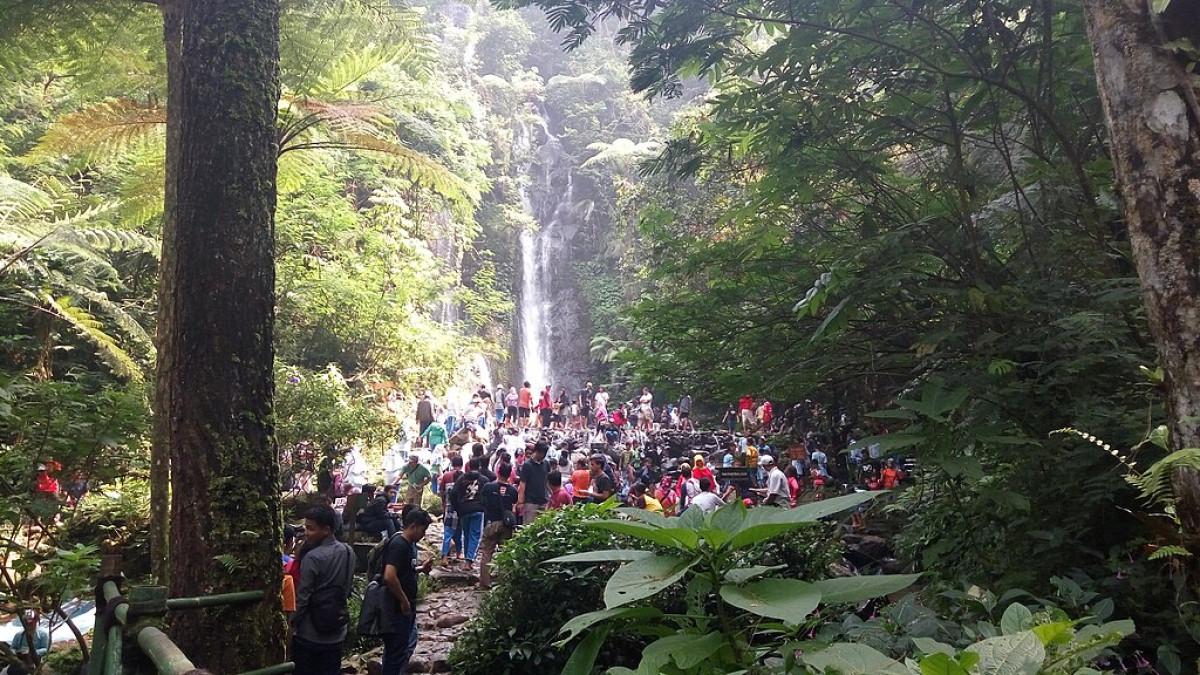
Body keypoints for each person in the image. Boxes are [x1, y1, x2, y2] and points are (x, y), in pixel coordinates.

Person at [291, 506, 354, 675]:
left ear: (326, 530)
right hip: (337, 630)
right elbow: (347, 588)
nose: (306, 533)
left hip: (310, 634)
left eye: (311, 529)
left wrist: (292, 623)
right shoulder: (348, 551)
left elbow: (303, 598)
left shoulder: (313, 558)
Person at [381, 507, 434, 675]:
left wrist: (419, 569)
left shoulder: (405, 544)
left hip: (401, 608)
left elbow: (402, 572)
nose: (423, 534)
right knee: (396, 653)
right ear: (413, 526)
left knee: (397, 651)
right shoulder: (400, 545)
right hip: (396, 609)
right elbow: (389, 576)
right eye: (423, 529)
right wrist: (403, 601)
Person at [478, 463, 518, 589]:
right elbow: (514, 503)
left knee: (487, 553)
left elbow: (483, 502)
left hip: (491, 522)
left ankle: (485, 582)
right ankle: (503, 582)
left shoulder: (488, 487)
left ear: (498, 472)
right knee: (504, 553)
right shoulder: (512, 490)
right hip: (506, 524)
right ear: (509, 474)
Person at [449, 459, 488, 571]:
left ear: (469, 467)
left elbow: (453, 493)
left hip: (464, 510)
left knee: (466, 534)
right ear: (479, 467)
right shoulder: (484, 480)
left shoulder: (462, 478)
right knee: (475, 535)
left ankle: (467, 557)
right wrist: (484, 507)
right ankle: (469, 560)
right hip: (478, 510)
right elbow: (487, 495)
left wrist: (457, 508)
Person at [517, 441, 550, 525]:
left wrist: (551, 495)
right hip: (530, 502)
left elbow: (548, 481)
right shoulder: (527, 465)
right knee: (529, 527)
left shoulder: (546, 464)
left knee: (543, 527)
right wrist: (520, 502)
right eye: (542, 453)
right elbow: (522, 484)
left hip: (544, 501)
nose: (543, 456)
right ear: (536, 451)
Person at [439, 456, 464, 564]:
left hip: (449, 508)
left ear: (452, 463)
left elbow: (441, 492)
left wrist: (443, 505)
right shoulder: (464, 476)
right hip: (461, 510)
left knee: (448, 533)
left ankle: (444, 556)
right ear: (462, 464)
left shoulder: (446, 476)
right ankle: (459, 553)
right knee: (459, 533)